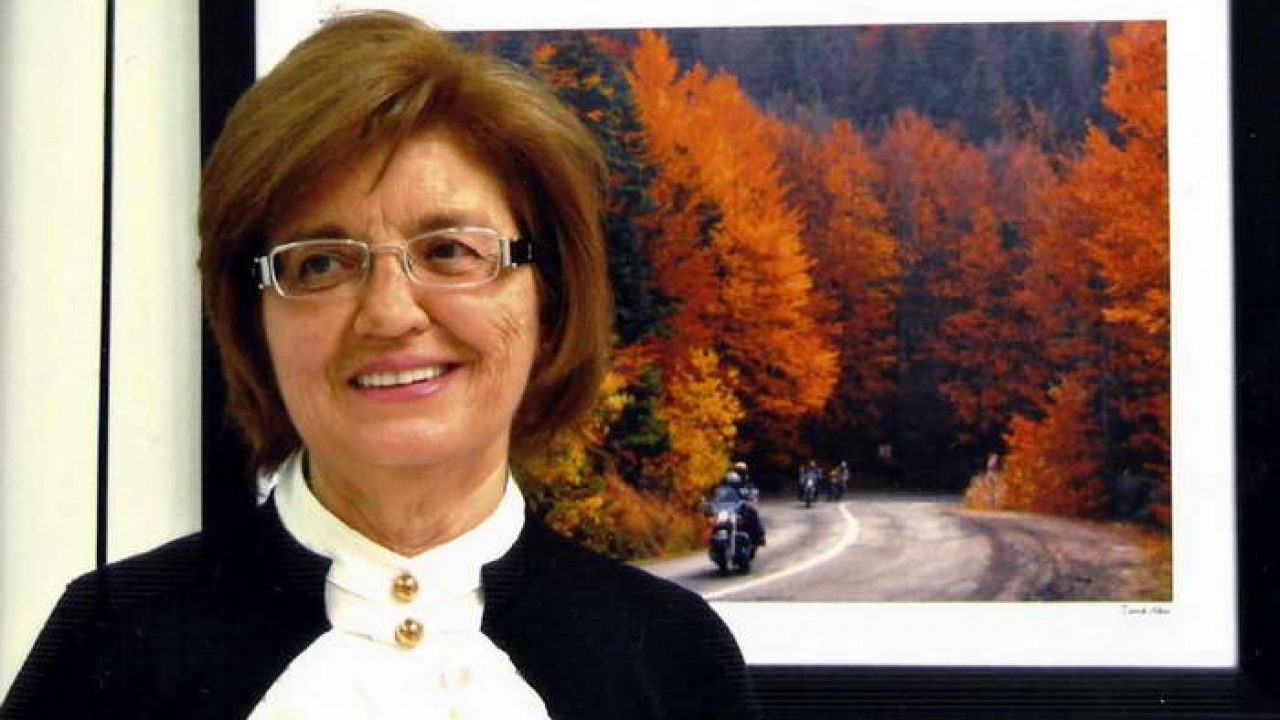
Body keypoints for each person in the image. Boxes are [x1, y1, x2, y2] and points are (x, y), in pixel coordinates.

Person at [3, 12, 757, 719]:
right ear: (252, 319)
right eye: (321, 263)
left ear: (549, 298)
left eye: (450, 251)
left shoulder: (672, 656)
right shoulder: (111, 641)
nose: (391, 313)